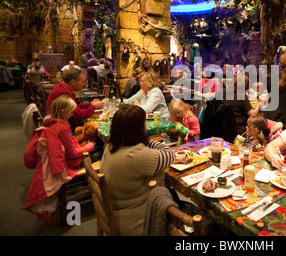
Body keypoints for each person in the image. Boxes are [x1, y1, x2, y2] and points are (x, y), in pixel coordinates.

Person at [100, 105, 175, 235]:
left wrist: (143, 139)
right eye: (143, 123)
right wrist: (146, 139)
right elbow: (169, 154)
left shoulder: (111, 145)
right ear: (138, 129)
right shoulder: (135, 155)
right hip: (137, 222)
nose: (145, 126)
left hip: (116, 211)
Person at [24, 95, 95, 221]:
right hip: (69, 163)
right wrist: (89, 147)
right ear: (63, 112)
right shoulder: (62, 128)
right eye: (71, 112)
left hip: (61, 159)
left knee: (95, 148)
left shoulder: (51, 121)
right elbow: (72, 153)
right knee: (99, 152)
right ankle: (96, 187)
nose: (73, 114)